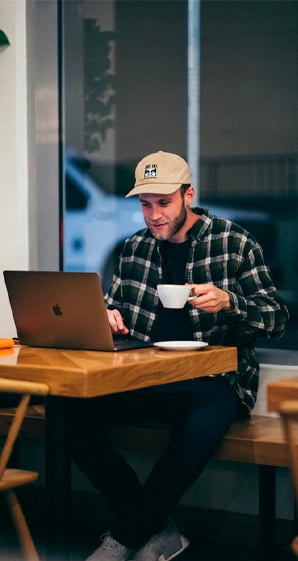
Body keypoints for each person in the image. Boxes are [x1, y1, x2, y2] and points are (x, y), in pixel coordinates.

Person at [70, 150, 289, 561]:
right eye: (145, 204)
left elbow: (277, 318)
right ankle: (156, 530)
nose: (153, 215)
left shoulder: (234, 242)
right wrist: (107, 317)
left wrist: (230, 303)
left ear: (188, 195)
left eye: (164, 202)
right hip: (144, 378)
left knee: (205, 419)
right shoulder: (133, 248)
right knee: (68, 415)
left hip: (213, 383)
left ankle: (123, 537)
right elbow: (117, 310)